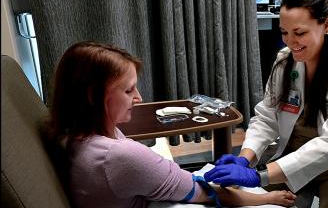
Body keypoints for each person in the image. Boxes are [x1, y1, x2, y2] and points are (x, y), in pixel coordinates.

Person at [47, 41, 296, 208]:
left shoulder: (73, 133)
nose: (139, 98)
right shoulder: (118, 155)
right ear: (92, 95)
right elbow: (209, 193)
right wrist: (267, 198)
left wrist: (245, 160)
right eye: (128, 90)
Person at [204, 0, 328, 208]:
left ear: (327, 25)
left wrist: (258, 176)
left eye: (299, 32)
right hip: (294, 157)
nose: (290, 42)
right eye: (284, 32)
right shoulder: (285, 62)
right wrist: (245, 158)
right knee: (248, 202)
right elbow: (267, 117)